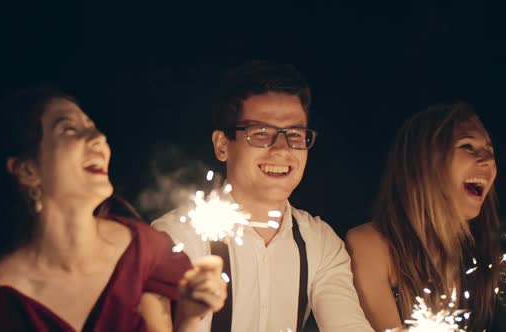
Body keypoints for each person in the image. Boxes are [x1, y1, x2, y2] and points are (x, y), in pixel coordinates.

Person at [0, 85, 227, 332]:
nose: (98, 138)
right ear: (28, 170)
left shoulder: (145, 252)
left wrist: (190, 317)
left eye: (93, 127)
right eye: (69, 129)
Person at [152, 62, 374, 332]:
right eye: (261, 134)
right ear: (222, 145)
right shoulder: (177, 238)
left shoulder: (320, 243)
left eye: (294, 134)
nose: (281, 149)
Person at [345, 102, 502, 331]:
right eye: (467, 146)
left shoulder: (489, 253)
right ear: (422, 163)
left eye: (490, 150)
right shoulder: (371, 244)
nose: (486, 159)